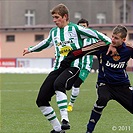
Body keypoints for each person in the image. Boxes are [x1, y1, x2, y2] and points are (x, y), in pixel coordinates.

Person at [23, 3, 114, 133]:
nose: (54, 20)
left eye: (56, 17)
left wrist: (111, 43)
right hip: (58, 67)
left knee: (59, 84)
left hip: (75, 67)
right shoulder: (54, 32)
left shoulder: (76, 29)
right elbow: (46, 43)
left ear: (65, 16)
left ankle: (65, 120)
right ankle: (58, 129)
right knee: (41, 100)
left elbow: (96, 34)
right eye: (53, 17)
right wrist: (30, 49)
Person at [60, 25, 133, 133]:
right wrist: (66, 61)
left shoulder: (128, 50)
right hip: (105, 84)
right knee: (102, 99)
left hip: (122, 85)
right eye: (112, 37)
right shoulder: (102, 47)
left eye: (116, 38)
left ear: (123, 40)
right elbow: (82, 51)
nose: (112, 40)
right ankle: (89, 131)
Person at [67, 18, 94, 112]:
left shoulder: (93, 38)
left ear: (87, 27)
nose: (82, 28)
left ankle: (70, 104)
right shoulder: (74, 38)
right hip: (74, 64)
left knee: (76, 84)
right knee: (67, 85)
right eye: (80, 26)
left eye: (84, 26)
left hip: (86, 66)